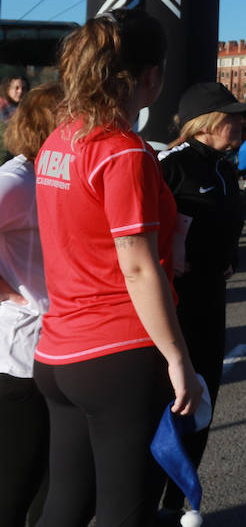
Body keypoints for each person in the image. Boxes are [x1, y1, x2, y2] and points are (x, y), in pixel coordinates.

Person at [32, 10, 199, 526]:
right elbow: (137, 267)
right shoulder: (121, 152)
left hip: (59, 351)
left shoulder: (60, 141)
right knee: (125, 513)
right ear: (149, 76)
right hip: (118, 352)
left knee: (66, 504)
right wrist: (178, 358)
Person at [156, 81, 246, 516]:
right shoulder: (169, 165)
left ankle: (180, 501)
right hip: (172, 304)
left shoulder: (225, 166)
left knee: (204, 398)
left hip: (212, 297)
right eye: (233, 116)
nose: (241, 122)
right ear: (207, 122)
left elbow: (225, 219)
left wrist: (229, 256)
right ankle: (148, 500)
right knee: (168, 402)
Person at [0, 83, 61, 525]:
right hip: (20, 356)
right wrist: (6, 292)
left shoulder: (50, 173)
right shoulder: (16, 179)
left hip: (58, 346)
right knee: (15, 483)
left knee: (54, 477)